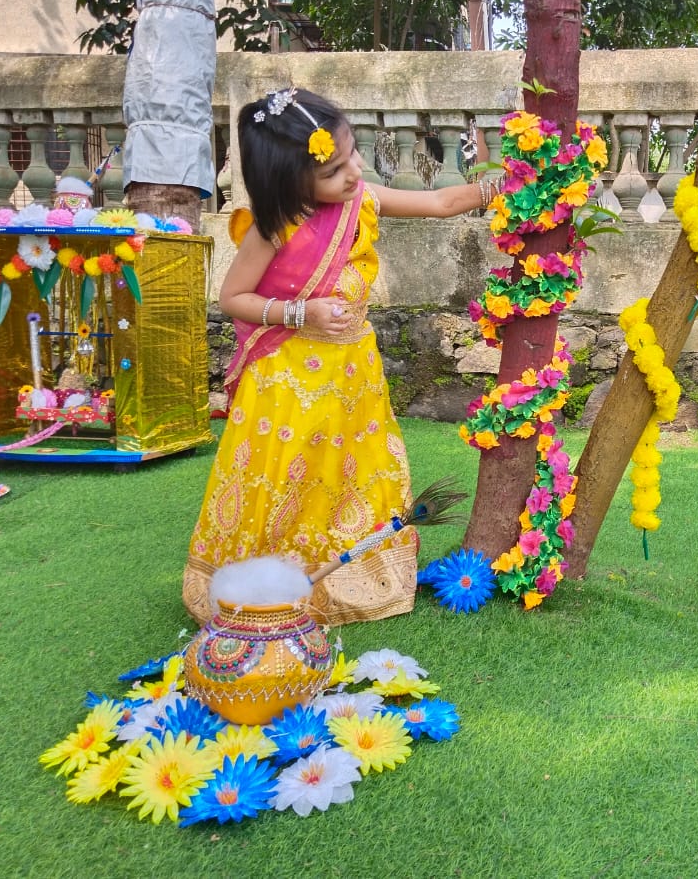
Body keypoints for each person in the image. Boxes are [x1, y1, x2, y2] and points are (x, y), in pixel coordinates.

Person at [185, 88, 498, 626]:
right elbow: (233, 297)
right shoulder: (274, 227)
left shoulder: (360, 198)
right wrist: (300, 313)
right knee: (288, 481)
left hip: (353, 374)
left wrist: (498, 188)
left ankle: (351, 577)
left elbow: (440, 203)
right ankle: (266, 586)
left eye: (353, 154)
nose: (353, 173)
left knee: (348, 475)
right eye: (333, 170)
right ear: (289, 180)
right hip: (286, 385)